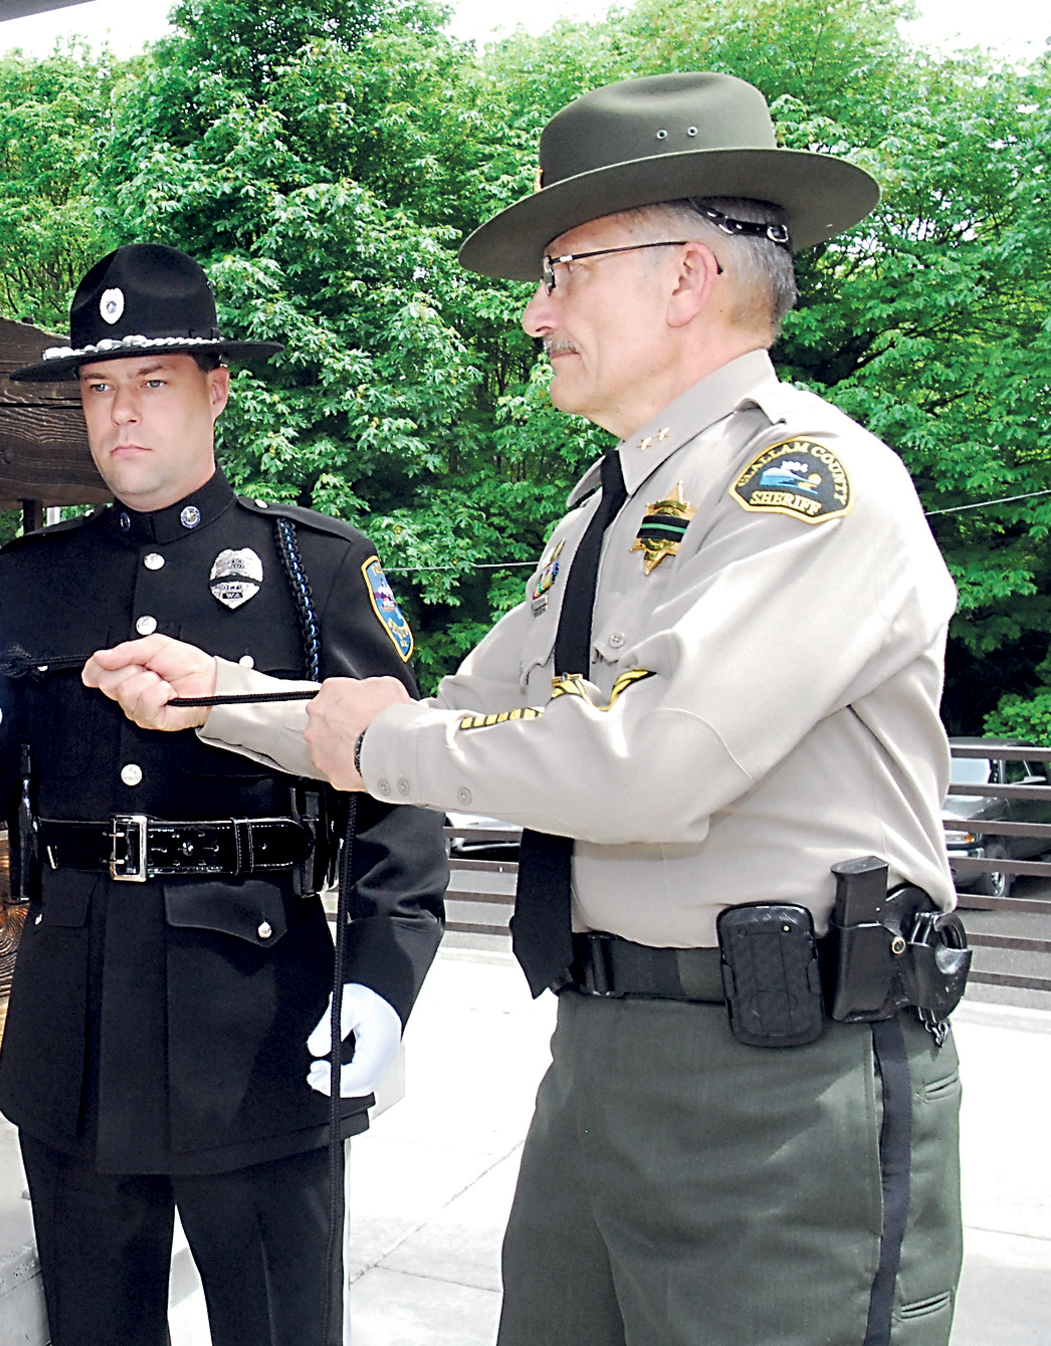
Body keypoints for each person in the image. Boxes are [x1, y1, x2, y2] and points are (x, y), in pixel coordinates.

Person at [81, 74, 965, 1345]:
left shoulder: (808, 487)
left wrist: (378, 739)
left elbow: (646, 764)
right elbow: (458, 709)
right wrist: (217, 697)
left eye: (564, 270)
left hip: (786, 1087)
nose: (535, 311)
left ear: (682, 278)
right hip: (605, 1052)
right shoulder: (602, 516)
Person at [0, 243, 446, 1346]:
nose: (120, 414)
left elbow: (401, 791)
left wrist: (386, 979)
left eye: (152, 382)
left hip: (254, 1015)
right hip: (77, 1017)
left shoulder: (313, 567)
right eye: (99, 387)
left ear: (216, 388)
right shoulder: (33, 579)